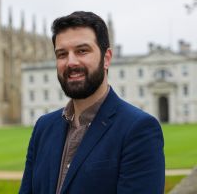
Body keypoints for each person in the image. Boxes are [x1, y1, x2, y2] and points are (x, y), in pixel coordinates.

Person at [19, 11, 165, 194]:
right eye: (62, 54)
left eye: (82, 51)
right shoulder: (44, 126)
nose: (71, 62)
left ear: (106, 58)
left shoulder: (138, 129)